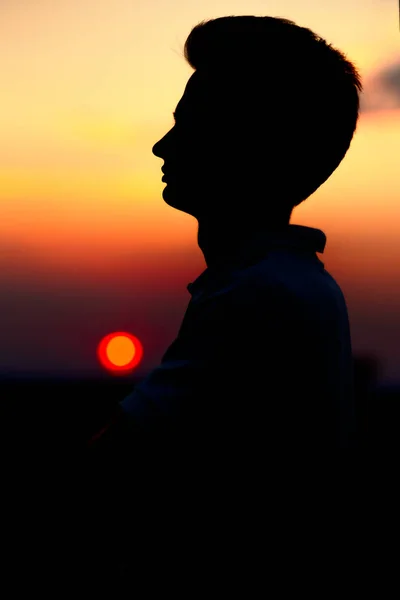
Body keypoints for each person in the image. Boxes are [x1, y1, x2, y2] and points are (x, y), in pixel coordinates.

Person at [89, 15, 363, 463]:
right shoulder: (289, 284)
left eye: (190, 126)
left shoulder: (262, 295)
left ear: (249, 145)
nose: (162, 146)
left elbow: (117, 460)